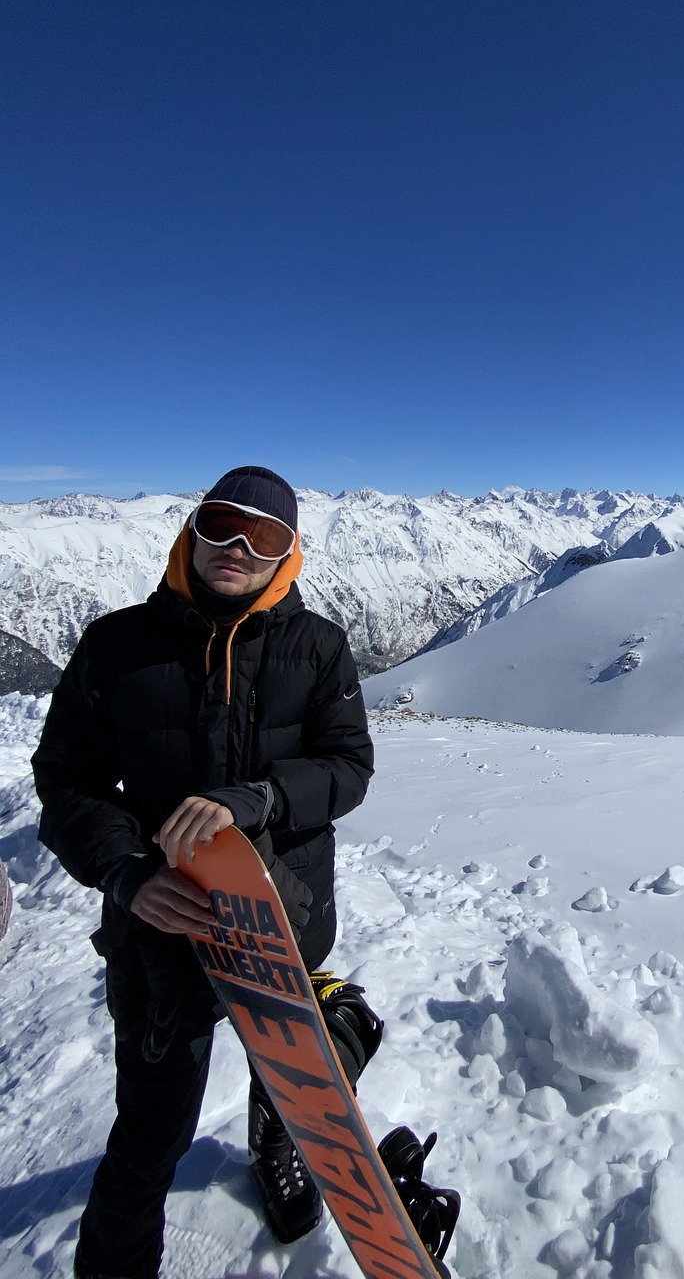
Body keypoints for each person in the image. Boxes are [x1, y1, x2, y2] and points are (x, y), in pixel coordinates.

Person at [35, 467, 378, 1279]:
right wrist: (123, 870)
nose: (236, 548)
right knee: (148, 1139)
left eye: (263, 537)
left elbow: (349, 766)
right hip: (159, 935)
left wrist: (260, 798)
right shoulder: (116, 645)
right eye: (220, 524)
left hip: (281, 918)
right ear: (190, 530)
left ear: (288, 555)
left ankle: (279, 1134)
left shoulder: (318, 646)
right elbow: (65, 783)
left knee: (288, 1067)